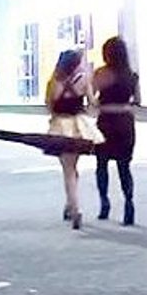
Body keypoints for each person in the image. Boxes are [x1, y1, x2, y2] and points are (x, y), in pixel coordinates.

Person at [45, 49, 103, 230]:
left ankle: (75, 208)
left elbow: (50, 105)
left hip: (61, 126)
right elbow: (93, 103)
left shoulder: (55, 81)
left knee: (68, 170)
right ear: (75, 64)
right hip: (79, 126)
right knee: (73, 168)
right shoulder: (84, 79)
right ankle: (70, 205)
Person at [92, 36, 138, 225]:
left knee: (101, 165)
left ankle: (104, 204)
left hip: (106, 123)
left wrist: (100, 104)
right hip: (125, 124)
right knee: (124, 167)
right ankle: (129, 204)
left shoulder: (101, 73)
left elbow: (92, 98)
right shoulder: (132, 75)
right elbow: (137, 100)